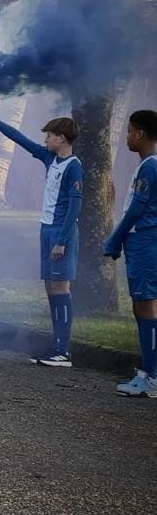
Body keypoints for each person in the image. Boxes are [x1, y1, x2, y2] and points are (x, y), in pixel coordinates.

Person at [0, 108, 82, 367]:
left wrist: (62, 241)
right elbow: (19, 139)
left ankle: (63, 350)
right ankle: (56, 345)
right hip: (46, 228)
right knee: (49, 287)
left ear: (63, 138)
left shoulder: (74, 168)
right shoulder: (49, 158)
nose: (45, 140)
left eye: (50, 136)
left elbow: (75, 207)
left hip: (60, 232)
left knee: (61, 287)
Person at [104, 109, 157, 397]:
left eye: (129, 131)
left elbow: (136, 209)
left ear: (140, 134)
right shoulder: (146, 165)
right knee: (142, 306)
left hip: (146, 243)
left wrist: (115, 239)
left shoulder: (150, 167)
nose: (126, 136)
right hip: (142, 243)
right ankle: (149, 371)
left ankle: (152, 376)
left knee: (146, 305)